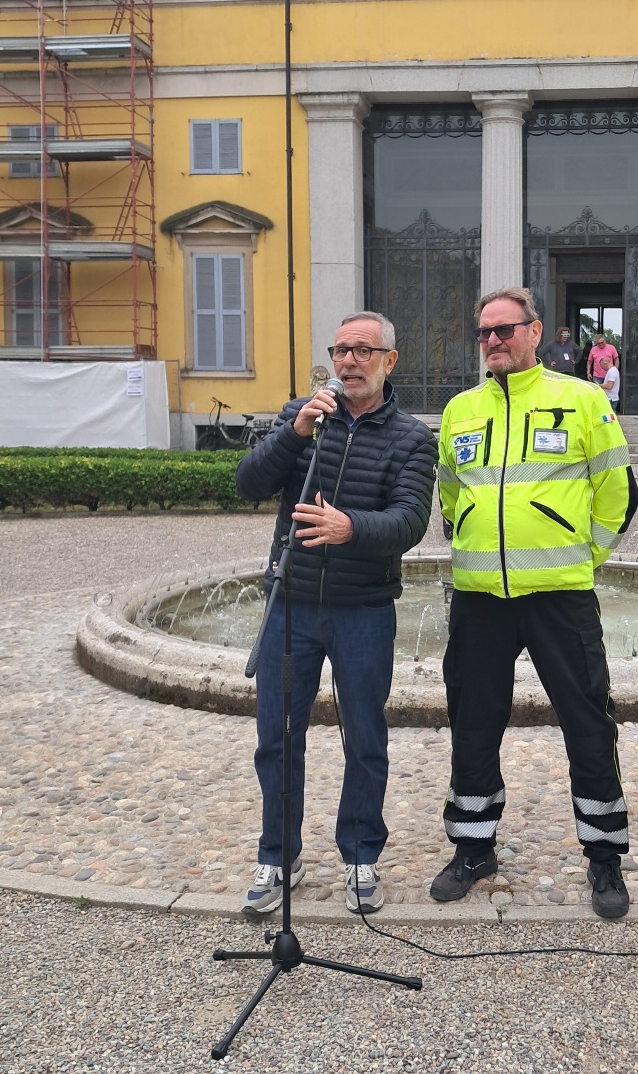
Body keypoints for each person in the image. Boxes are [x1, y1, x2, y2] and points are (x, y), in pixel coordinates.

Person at [431, 286, 638, 919]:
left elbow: (618, 494)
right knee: (473, 724)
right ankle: (473, 847)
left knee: (588, 723)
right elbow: (449, 494)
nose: (494, 341)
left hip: (560, 597)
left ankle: (604, 856)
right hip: (480, 600)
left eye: (505, 329)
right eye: (485, 332)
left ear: (535, 331)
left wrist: (583, 556)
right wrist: (471, 540)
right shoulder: (460, 410)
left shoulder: (582, 399)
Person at [234, 311, 437, 916]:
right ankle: (279, 856)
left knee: (365, 738)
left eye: (363, 351)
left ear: (389, 361)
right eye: (341, 350)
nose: (349, 361)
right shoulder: (303, 418)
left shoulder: (412, 438)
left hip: (363, 610)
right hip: (291, 605)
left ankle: (360, 856)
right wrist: (294, 434)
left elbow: (410, 521)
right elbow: (248, 484)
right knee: (277, 737)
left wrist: (351, 527)